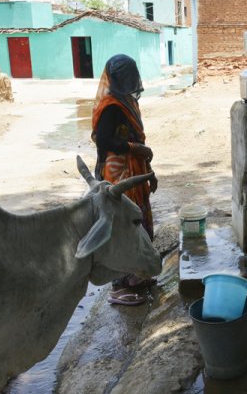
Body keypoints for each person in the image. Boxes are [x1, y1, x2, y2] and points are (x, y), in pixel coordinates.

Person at [91, 54, 158, 306]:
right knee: (123, 226)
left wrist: (149, 172)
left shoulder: (128, 101)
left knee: (138, 220)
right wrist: (135, 149)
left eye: (134, 75)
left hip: (135, 168)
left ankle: (136, 277)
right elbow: (105, 141)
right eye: (127, 77)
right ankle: (119, 287)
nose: (133, 80)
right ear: (117, 78)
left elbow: (138, 142)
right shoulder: (110, 106)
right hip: (117, 171)